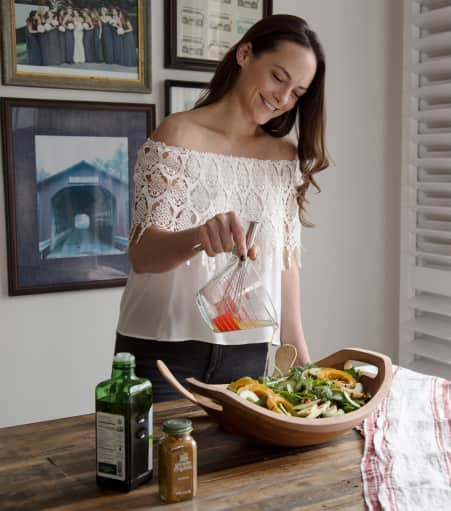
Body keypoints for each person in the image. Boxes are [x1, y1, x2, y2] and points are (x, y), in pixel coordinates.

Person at [114, 14, 328, 402]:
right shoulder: (177, 136)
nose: (283, 98)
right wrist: (199, 237)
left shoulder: (283, 157)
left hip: (249, 353)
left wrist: (301, 361)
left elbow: (285, 266)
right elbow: (142, 254)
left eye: (297, 92)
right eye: (279, 77)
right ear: (245, 54)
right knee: (153, 463)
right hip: (163, 350)